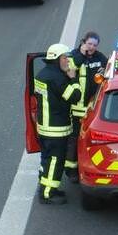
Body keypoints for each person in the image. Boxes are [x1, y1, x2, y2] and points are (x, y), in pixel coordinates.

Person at [34, 44, 82, 204]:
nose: (67, 60)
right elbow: (75, 96)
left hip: (44, 127)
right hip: (56, 129)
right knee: (55, 160)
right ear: (56, 59)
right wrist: (73, 78)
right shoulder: (58, 78)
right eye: (65, 57)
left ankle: (45, 186)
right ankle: (48, 194)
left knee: (46, 159)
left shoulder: (42, 74)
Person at [65, 32, 109, 183]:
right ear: (83, 42)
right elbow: (70, 68)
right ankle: (71, 170)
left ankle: (90, 167)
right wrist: (82, 54)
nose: (92, 47)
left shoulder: (99, 57)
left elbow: (108, 67)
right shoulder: (74, 56)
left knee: (90, 140)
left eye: (95, 45)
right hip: (76, 108)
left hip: (93, 108)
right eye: (89, 44)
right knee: (74, 140)